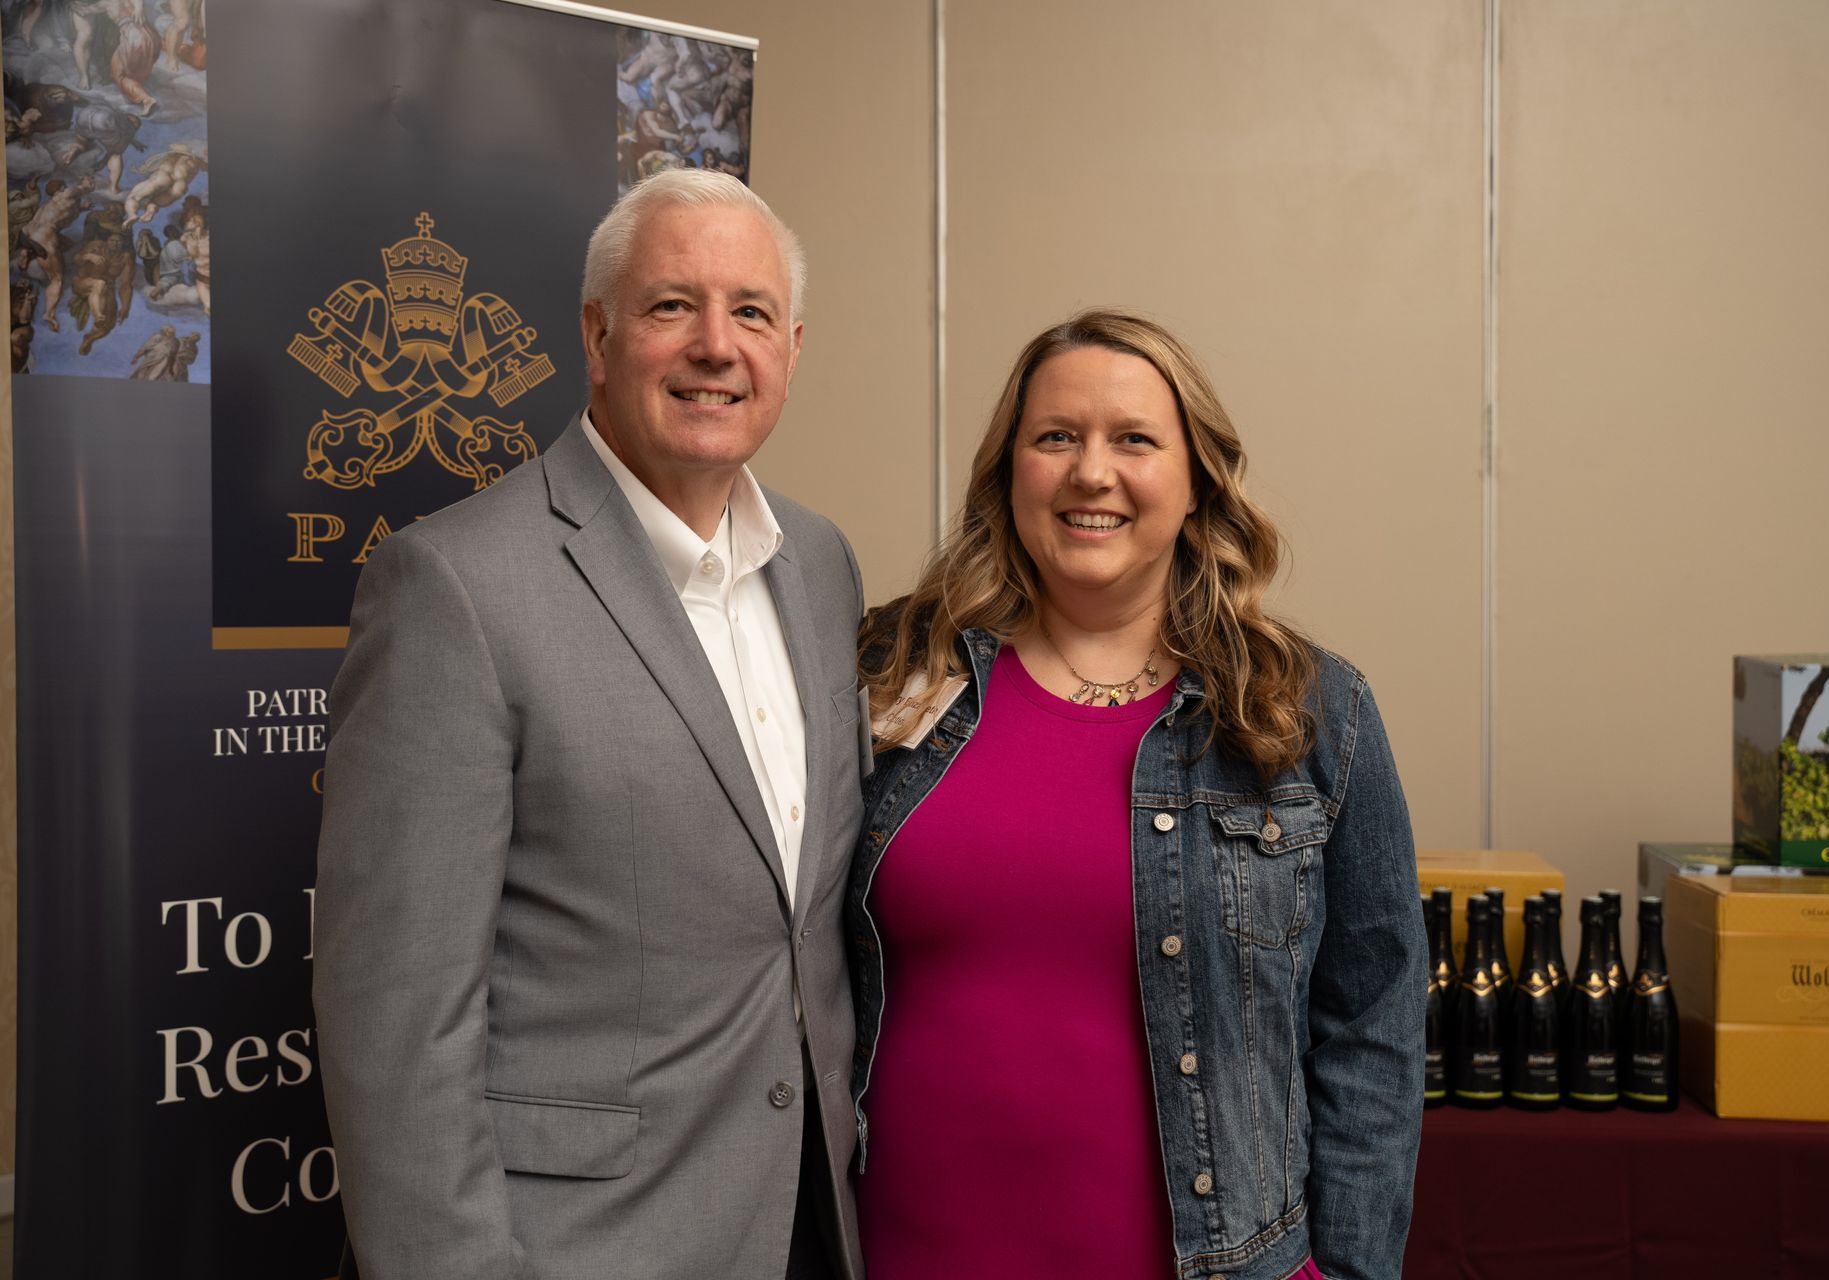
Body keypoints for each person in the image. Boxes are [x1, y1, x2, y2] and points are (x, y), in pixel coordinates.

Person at [314, 169, 870, 1280]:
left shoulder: (821, 565)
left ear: (793, 348)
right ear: (596, 335)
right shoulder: (454, 586)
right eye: (672, 306)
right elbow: (396, 1023)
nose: (717, 346)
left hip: (811, 1223)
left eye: (752, 312)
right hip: (580, 1249)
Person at [849, 311, 1425, 1279]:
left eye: (1134, 440)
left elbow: (1374, 1029)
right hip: (903, 1254)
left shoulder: (1310, 711)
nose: (1091, 472)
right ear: (1009, 471)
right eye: (1055, 436)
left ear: (1197, 481)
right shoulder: (885, 667)